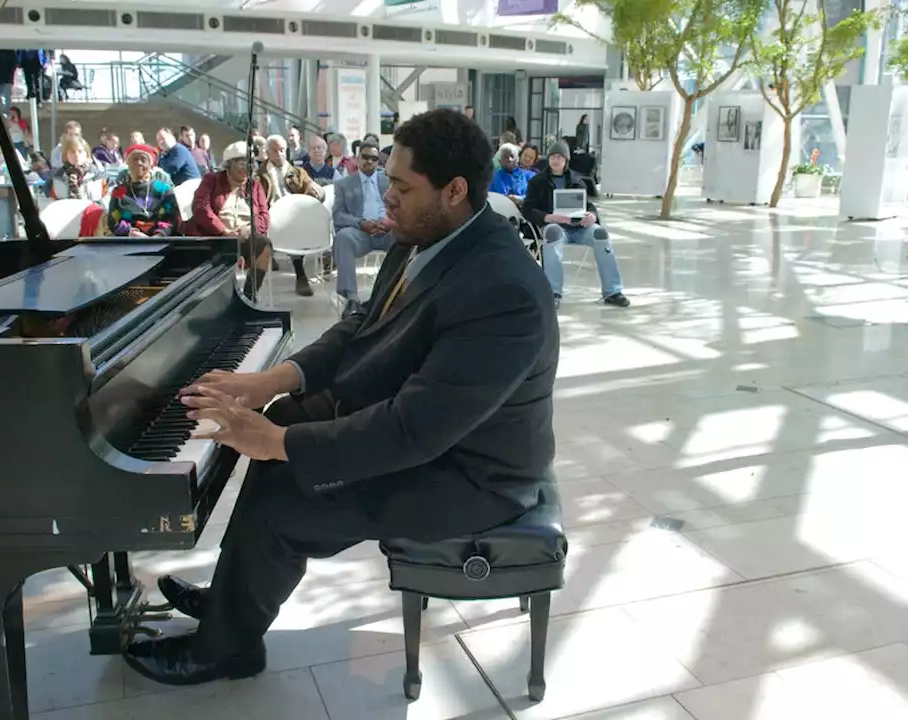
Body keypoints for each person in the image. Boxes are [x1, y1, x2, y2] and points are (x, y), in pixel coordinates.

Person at [122, 108, 559, 686]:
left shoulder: (503, 289)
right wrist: (270, 383)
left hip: (472, 477)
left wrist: (278, 442)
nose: (388, 201)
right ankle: (234, 599)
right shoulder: (427, 236)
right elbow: (361, 326)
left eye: (401, 188)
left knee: (285, 499)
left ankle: (227, 650)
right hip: (434, 438)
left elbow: (414, 431)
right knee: (286, 421)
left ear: (455, 190)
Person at [522, 140, 629, 309]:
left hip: (579, 228)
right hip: (555, 227)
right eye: (552, 156)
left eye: (559, 157)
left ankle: (613, 291)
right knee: (552, 234)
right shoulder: (537, 182)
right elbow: (528, 209)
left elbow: (589, 205)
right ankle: (553, 292)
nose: (555, 160)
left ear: (566, 160)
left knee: (601, 234)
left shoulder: (577, 181)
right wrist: (548, 217)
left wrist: (592, 215)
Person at [185, 142, 273, 298]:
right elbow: (200, 207)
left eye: (249, 162)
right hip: (215, 236)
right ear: (229, 164)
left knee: (264, 247)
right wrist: (224, 231)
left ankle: (249, 295)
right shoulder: (212, 179)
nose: (246, 167)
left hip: (244, 236)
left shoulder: (255, 186)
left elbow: (264, 216)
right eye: (241, 162)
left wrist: (248, 230)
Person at [330, 140, 391, 317]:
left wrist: (388, 222)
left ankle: (397, 293)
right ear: (357, 158)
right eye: (365, 157)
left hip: (387, 230)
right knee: (343, 238)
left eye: (374, 158)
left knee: (408, 235)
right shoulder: (344, 184)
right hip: (361, 232)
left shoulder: (389, 180)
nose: (369, 161)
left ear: (379, 161)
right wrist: (360, 223)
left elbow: (402, 205)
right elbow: (338, 215)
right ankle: (352, 299)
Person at [259, 135, 317, 297]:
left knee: (296, 230)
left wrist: (312, 188)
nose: (279, 153)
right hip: (271, 215)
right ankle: (300, 275)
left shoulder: (297, 172)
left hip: (293, 214)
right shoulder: (260, 174)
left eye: (282, 150)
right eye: (274, 150)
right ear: (268, 152)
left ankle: (299, 273)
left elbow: (309, 184)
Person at [107, 144, 181, 237]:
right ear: (127, 163)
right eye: (135, 159)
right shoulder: (119, 192)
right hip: (129, 241)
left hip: (160, 241)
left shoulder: (164, 189)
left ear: (151, 165)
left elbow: (172, 218)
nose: (139, 163)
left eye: (143, 159)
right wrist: (131, 232)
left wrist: (159, 235)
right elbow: (113, 220)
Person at [50, 135, 105, 201]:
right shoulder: (57, 178)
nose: (76, 155)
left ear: (86, 154)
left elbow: (105, 202)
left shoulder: (99, 176)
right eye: (72, 152)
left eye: (80, 151)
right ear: (65, 155)